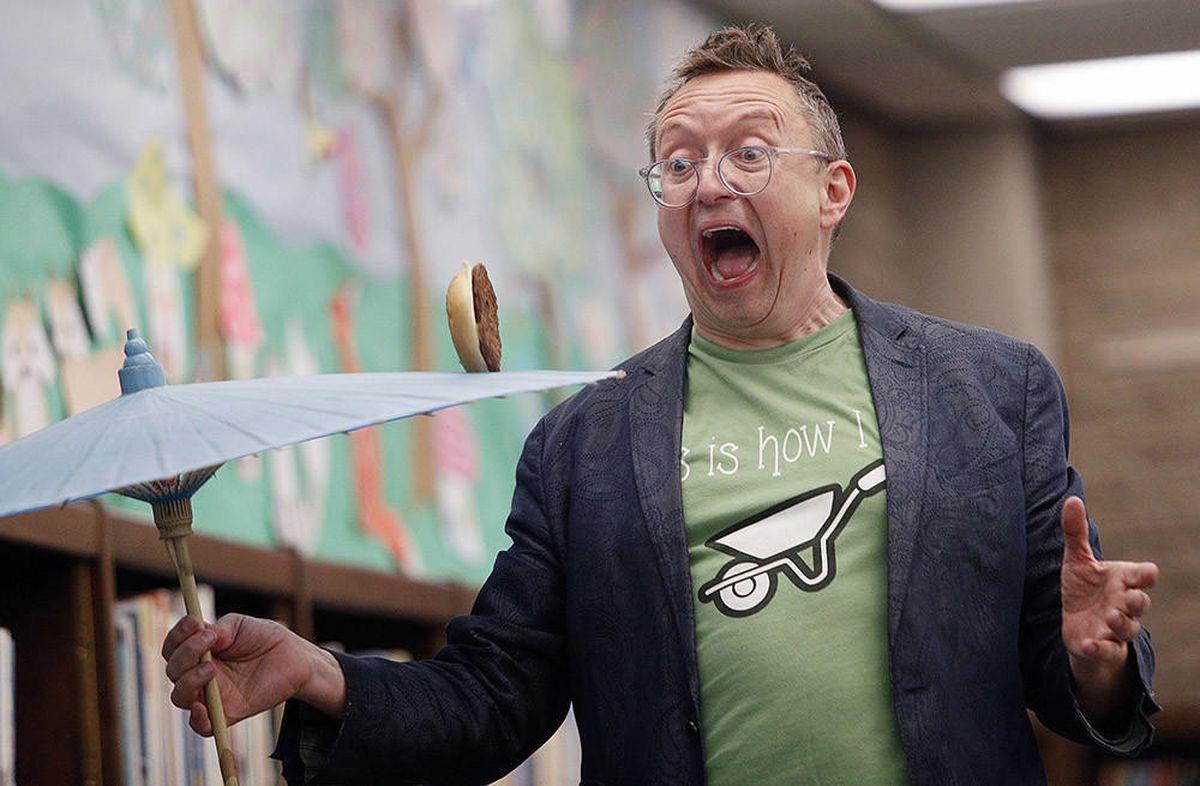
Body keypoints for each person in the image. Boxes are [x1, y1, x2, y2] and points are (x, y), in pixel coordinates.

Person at [161, 24, 1161, 785]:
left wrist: (1093, 657)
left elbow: (1071, 679)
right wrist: (316, 673)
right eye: (679, 163)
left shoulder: (989, 390)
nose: (708, 182)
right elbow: (495, 694)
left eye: (750, 153)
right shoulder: (583, 443)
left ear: (835, 191)